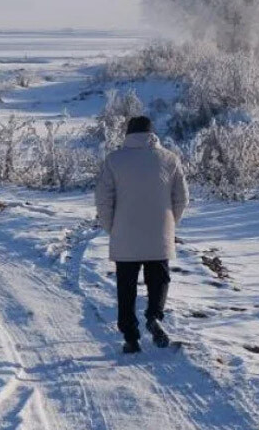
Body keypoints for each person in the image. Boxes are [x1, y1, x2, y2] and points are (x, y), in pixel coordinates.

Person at [94, 115, 190, 353]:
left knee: (126, 286)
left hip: (124, 233)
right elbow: (182, 198)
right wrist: (169, 224)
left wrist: (112, 228)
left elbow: (103, 200)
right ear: (152, 134)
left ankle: (130, 337)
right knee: (159, 279)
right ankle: (154, 316)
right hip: (159, 233)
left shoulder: (114, 160)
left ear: (128, 134)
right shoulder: (169, 159)